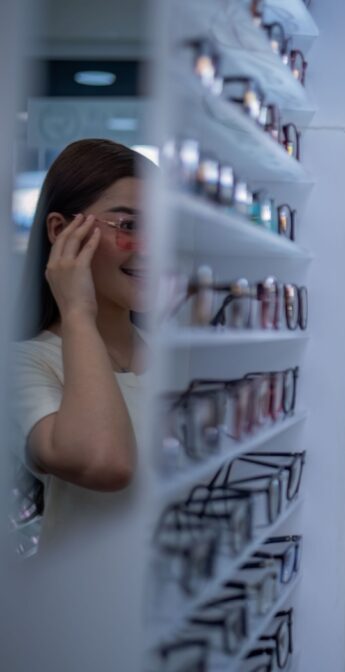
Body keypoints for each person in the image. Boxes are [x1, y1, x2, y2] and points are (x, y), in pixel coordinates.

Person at [10, 138, 150, 556]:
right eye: (129, 225)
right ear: (60, 231)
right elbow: (106, 461)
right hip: (85, 617)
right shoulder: (23, 364)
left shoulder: (183, 352)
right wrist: (76, 311)